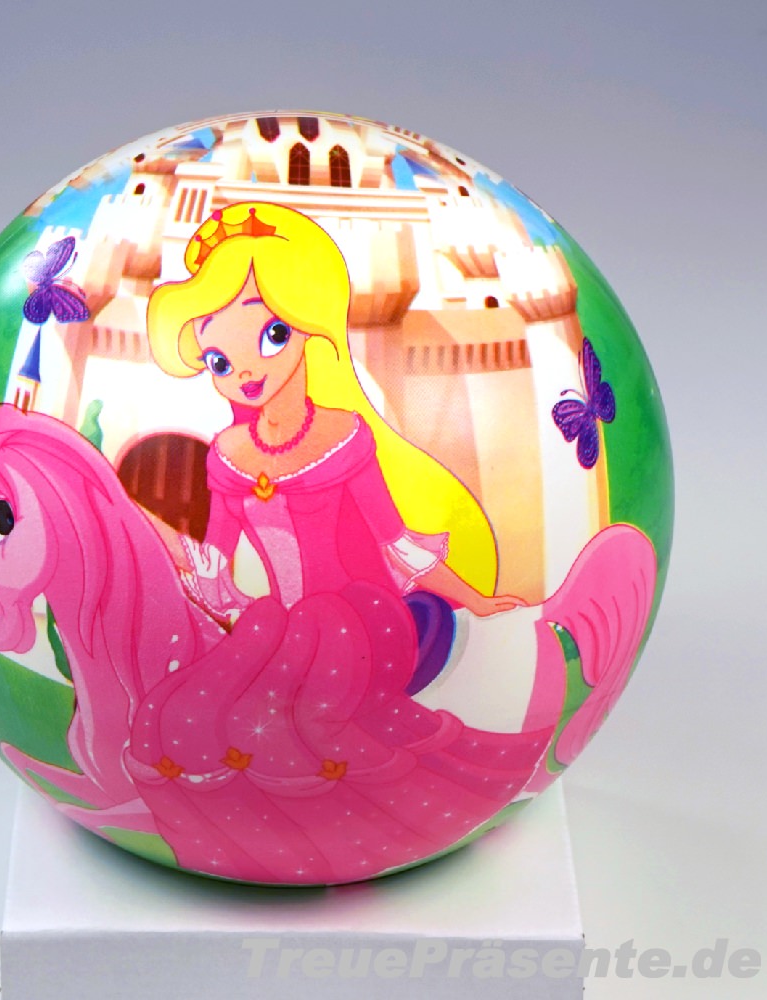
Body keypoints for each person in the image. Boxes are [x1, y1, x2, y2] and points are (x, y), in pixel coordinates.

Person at [124, 202, 549, 883]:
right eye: (218, 360)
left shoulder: (347, 437)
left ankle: (337, 816)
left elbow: (396, 545)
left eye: (271, 335)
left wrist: (477, 599)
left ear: (308, 328)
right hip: (283, 627)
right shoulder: (227, 456)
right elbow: (217, 568)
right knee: (229, 669)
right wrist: (146, 534)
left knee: (312, 632)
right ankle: (238, 818)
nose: (244, 373)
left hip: (368, 618)